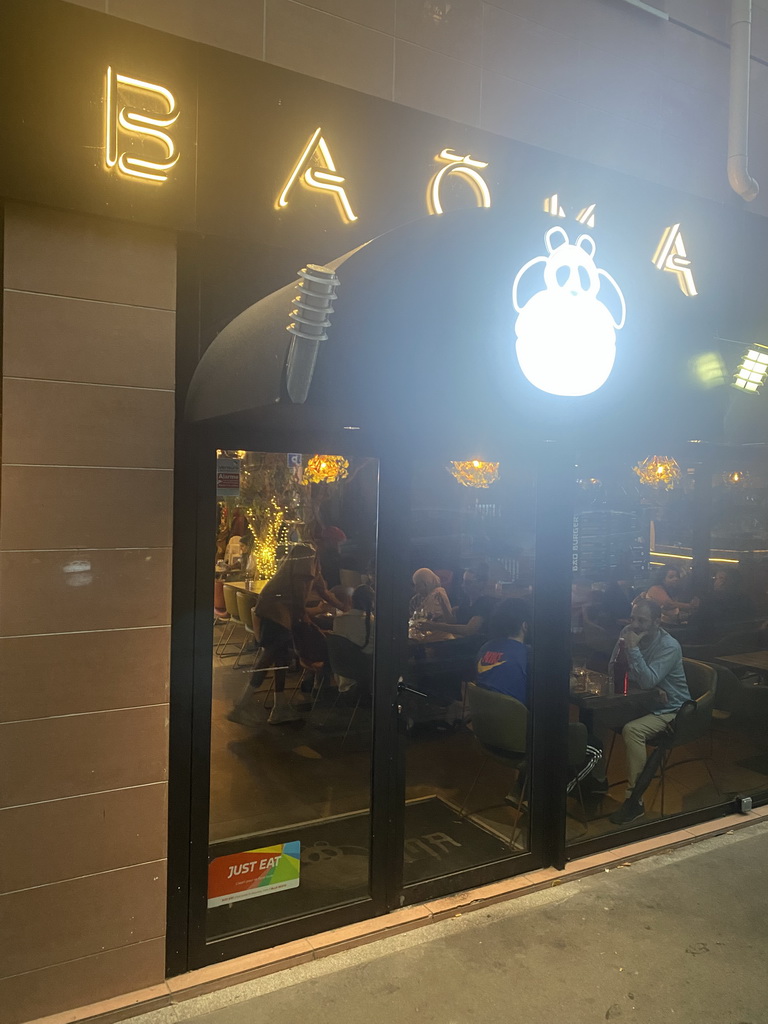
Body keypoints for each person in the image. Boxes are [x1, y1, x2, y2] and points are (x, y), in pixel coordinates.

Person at [607, 597, 692, 825]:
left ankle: (634, 801)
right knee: (598, 717)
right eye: (633, 617)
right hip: (645, 703)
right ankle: (592, 783)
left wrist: (633, 652)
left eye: (642, 620)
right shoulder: (627, 630)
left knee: (632, 731)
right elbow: (614, 667)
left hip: (673, 709)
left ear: (657, 622)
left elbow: (644, 680)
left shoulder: (669, 646)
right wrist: (652, 685)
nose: (634, 624)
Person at [228, 543, 319, 726]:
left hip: (271, 614)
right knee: (268, 658)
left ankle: (279, 707)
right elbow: (301, 597)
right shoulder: (302, 571)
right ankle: (241, 705)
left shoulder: (284, 574)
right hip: (278, 616)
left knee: (280, 661)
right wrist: (305, 613)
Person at [475, 598, 530, 704]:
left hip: (484, 715)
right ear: (525, 626)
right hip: (518, 718)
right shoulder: (528, 654)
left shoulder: (485, 648)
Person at [428, 564, 499, 639]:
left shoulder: (485, 603)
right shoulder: (466, 600)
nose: (463, 585)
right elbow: (452, 622)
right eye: (463, 581)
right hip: (460, 642)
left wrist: (435, 626)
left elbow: (469, 630)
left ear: (481, 583)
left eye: (468, 583)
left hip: (474, 646)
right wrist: (442, 602)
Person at [332, 584, 375, 692]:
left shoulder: (338, 620)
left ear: (352, 600)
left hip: (341, 669)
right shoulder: (373, 623)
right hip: (365, 669)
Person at [409, 568, 454, 638]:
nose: (416, 589)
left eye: (418, 586)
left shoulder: (439, 594)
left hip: (442, 636)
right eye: (415, 585)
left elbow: (450, 621)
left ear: (426, 583)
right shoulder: (417, 599)